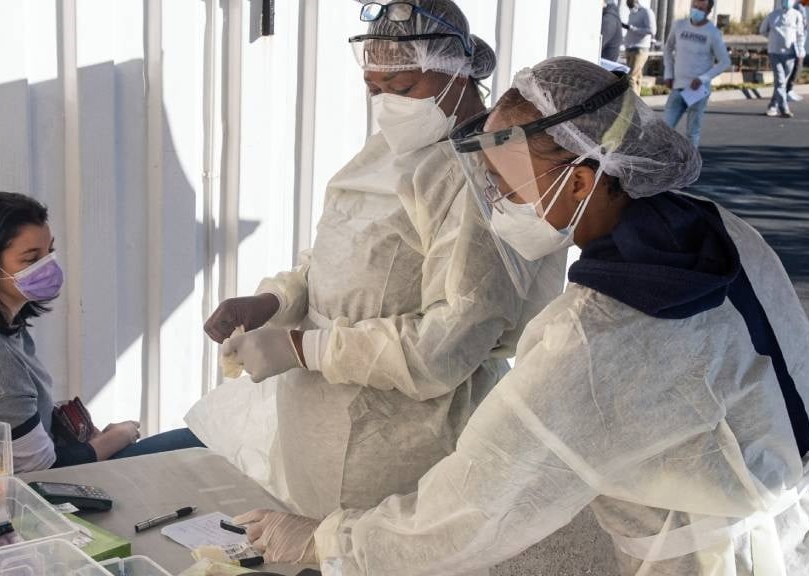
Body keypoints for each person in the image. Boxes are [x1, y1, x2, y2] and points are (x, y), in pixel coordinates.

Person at [231, 57, 809, 575]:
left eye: (505, 184)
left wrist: (329, 541)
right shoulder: (725, 232)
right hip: (801, 533)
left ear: (581, 183)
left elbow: (476, 502)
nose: (493, 204)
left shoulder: (594, 337)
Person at [190, 0, 565, 520]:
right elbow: (340, 254)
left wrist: (305, 348)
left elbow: (449, 341)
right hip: (316, 426)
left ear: (456, 69)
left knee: (369, 552)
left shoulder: (482, 176)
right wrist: (275, 299)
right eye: (375, 89)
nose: (388, 104)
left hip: (398, 441)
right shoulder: (390, 149)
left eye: (404, 88)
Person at [0, 192, 204, 473]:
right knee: (205, 442)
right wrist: (117, 437)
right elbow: (45, 471)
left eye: (50, 252)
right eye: (31, 260)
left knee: (206, 437)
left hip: (49, 462)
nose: (48, 266)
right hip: (47, 491)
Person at [662, 0, 731, 147]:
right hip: (678, 86)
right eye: (695, 6)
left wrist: (702, 78)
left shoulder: (712, 32)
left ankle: (691, 165)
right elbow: (667, 49)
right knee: (664, 128)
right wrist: (668, 73)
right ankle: (660, 162)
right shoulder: (679, 26)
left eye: (701, 8)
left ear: (708, 11)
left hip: (697, 91)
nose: (696, 10)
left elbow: (725, 62)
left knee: (692, 132)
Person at [761, 0, 806, 117]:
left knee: (781, 83)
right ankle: (784, 108)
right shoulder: (772, 15)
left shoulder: (797, 15)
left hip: (790, 54)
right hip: (774, 53)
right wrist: (774, 39)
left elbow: (800, 34)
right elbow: (763, 30)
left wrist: (800, 49)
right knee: (780, 81)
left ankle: (772, 106)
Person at [787, 0, 809, 102]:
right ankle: (787, 91)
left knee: (796, 67)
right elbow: (798, 25)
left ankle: (789, 90)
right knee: (796, 66)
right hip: (796, 43)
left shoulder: (801, 8)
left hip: (799, 43)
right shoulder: (798, 8)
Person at [622, 0, 656, 95]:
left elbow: (652, 30)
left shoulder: (646, 12)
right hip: (630, 48)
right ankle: (637, 103)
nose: (627, 2)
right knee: (637, 78)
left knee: (631, 77)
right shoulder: (632, 13)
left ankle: (632, 104)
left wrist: (632, 28)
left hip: (640, 49)